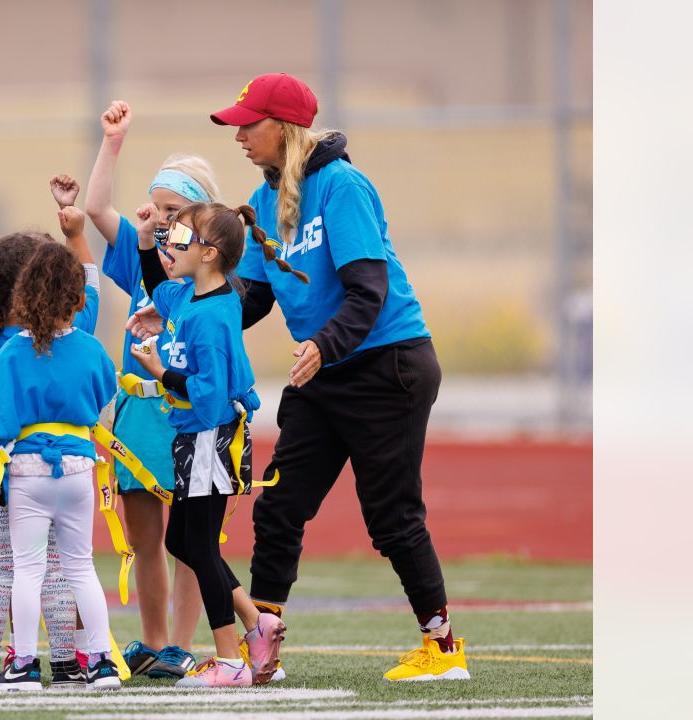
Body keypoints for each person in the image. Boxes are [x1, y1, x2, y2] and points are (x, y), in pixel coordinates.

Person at [210, 72, 468, 682]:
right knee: (279, 508)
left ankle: (443, 650)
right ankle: (263, 645)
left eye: (249, 124)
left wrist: (323, 346)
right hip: (325, 369)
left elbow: (368, 292)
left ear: (284, 128)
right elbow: (249, 299)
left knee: (391, 516)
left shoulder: (342, 185)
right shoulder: (264, 200)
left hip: (388, 365)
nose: (240, 135)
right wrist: (185, 311)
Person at [78, 99, 215, 679]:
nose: (162, 219)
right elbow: (95, 207)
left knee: (188, 536)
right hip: (136, 410)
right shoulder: (139, 258)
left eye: (175, 210)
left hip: (184, 411)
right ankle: (155, 641)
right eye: (157, 207)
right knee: (143, 536)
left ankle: (182, 642)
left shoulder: (210, 272)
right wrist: (113, 143)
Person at [126, 202, 288, 688]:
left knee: (196, 542)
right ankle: (257, 623)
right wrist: (142, 241)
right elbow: (160, 289)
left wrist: (161, 373)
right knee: (182, 541)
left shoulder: (212, 317)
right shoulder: (189, 296)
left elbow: (210, 394)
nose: (170, 245)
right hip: (192, 439)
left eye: (180, 237)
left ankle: (229, 660)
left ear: (210, 253)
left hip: (210, 437)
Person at [0, 213, 100, 689]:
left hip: (2, 475)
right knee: (57, 569)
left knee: (3, 567)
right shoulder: (71, 334)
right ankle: (69, 665)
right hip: (66, 469)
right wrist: (76, 234)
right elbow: (88, 295)